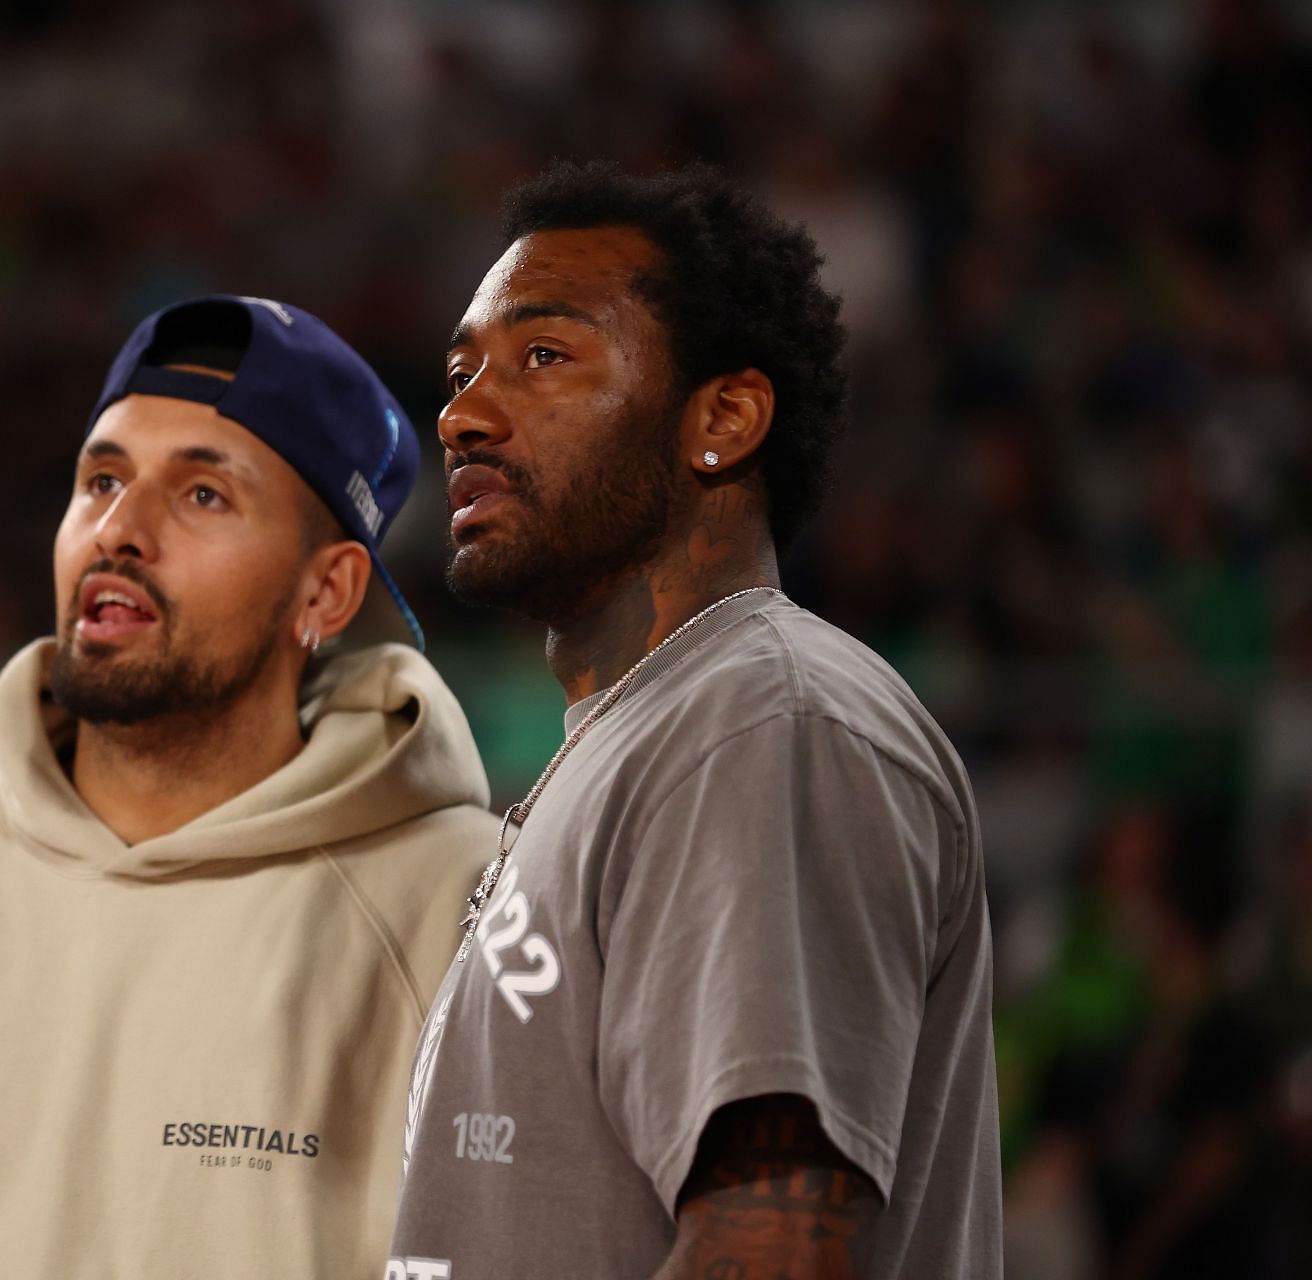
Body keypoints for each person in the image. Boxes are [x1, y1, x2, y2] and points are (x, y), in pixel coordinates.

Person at [0, 295, 496, 1278]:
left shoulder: (467, 910)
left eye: (204, 494)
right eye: (101, 480)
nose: (120, 531)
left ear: (326, 591)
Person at [386, 162, 1001, 1279]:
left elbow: (772, 1241)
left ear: (721, 418)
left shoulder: (763, 720)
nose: (463, 413)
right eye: (462, 371)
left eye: (542, 356)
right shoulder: (643, 736)